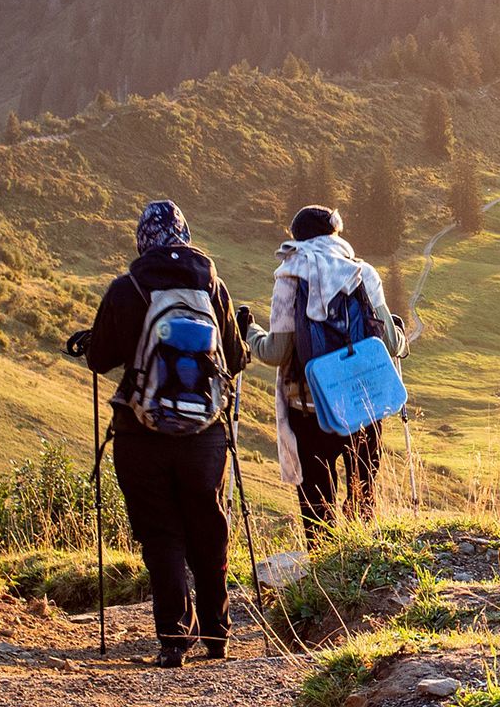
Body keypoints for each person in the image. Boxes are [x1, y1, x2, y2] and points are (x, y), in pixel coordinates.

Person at [86, 200, 247, 668]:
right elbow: (234, 361)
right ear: (185, 234)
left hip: (141, 433)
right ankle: (219, 632)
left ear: (143, 239)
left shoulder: (127, 287)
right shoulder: (212, 285)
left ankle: (174, 638)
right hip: (206, 434)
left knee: (161, 532)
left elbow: (99, 359)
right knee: (209, 527)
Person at [238, 204, 407, 545]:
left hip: (309, 407)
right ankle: (362, 576)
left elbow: (277, 352)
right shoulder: (362, 272)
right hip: (364, 406)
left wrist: (249, 332)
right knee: (363, 499)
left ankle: (323, 580)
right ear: (335, 234)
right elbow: (390, 342)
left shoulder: (290, 275)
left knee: (318, 508)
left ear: (297, 239)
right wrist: (400, 335)